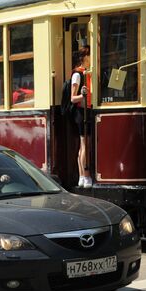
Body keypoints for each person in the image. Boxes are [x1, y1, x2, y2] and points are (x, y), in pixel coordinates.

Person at [69, 47, 92, 187]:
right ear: (85, 57)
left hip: (86, 111)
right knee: (85, 145)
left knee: (83, 146)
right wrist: (83, 94)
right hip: (81, 113)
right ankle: (86, 175)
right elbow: (73, 98)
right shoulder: (78, 74)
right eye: (91, 55)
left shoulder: (87, 73)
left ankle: (82, 176)